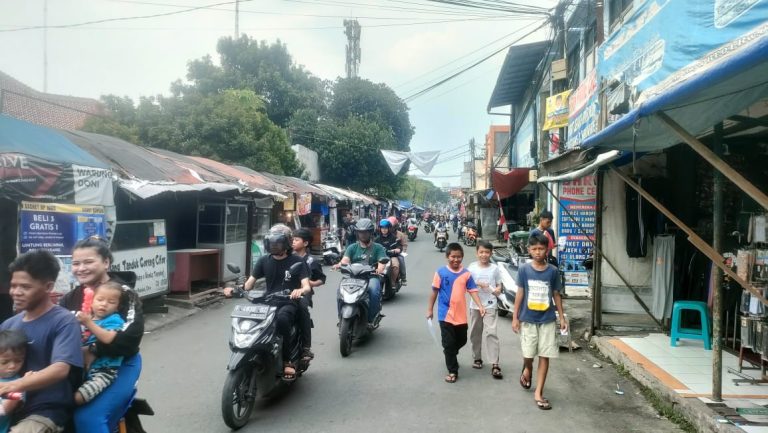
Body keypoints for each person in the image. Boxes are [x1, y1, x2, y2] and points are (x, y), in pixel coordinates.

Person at [60, 237, 144, 433]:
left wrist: (93, 349)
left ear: (106, 262)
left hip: (118, 364)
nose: (81, 268)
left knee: (88, 418)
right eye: (76, 263)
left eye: (88, 262)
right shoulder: (70, 298)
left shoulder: (123, 293)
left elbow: (129, 340)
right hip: (78, 364)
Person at [0, 250, 83, 433]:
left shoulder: (63, 321)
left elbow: (61, 369)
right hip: (7, 407)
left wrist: (14, 385)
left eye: (25, 287)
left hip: (45, 411)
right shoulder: (9, 324)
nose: (16, 292)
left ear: (48, 287)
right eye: (13, 286)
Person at [234, 224, 311, 381]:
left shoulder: (296, 261)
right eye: (272, 243)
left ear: (287, 243)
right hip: (268, 302)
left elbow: (306, 286)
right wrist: (235, 289)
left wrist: (299, 291)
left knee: (282, 319)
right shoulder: (263, 261)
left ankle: (287, 360)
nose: (274, 246)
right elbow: (249, 284)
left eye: (278, 243)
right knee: (250, 321)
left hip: (289, 301)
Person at [512, 234, 567, 410]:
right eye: (534, 249)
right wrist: (515, 317)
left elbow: (556, 295)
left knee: (545, 355)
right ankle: (527, 369)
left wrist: (562, 317)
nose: (537, 252)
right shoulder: (524, 270)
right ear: (529, 250)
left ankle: (539, 392)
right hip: (528, 319)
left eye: (541, 248)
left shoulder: (552, 271)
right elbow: (520, 293)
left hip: (547, 319)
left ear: (547, 250)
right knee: (528, 354)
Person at [426, 243, 485, 384]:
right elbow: (434, 291)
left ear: (462, 257)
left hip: (460, 316)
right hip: (444, 315)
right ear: (447, 257)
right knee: (449, 343)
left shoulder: (466, 274)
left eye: (459, 257)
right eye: (453, 256)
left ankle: (450, 352)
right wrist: (429, 309)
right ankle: (453, 371)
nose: (456, 259)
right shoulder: (440, 272)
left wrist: (480, 306)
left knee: (462, 340)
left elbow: (473, 291)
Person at [73, 281, 126, 406]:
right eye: (100, 299)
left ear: (117, 307)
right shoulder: (88, 318)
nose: (104, 304)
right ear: (91, 301)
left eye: (111, 302)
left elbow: (107, 338)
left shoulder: (115, 320)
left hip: (104, 371)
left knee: (78, 398)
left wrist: (88, 323)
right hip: (83, 368)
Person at [333, 218, 386, 328]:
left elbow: (382, 262)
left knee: (373, 290)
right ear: (357, 233)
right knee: (340, 291)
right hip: (353, 276)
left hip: (371, 276)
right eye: (360, 232)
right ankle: (341, 318)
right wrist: (339, 265)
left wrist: (379, 269)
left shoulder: (378, 248)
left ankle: (371, 319)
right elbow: (345, 260)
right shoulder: (352, 247)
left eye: (365, 232)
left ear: (371, 233)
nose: (363, 235)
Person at [468, 240, 503, 379]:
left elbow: (499, 284)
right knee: (475, 333)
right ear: (477, 253)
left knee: (491, 333)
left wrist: (498, 289)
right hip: (475, 305)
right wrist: (479, 284)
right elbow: (467, 284)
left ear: (491, 253)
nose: (484, 255)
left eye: (487, 252)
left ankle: (495, 363)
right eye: (481, 252)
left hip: (490, 304)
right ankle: (477, 358)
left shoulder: (495, 268)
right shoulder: (471, 268)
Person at [292, 228, 326, 362]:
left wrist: (310, 284)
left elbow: (322, 279)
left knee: (301, 310)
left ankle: (306, 347)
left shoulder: (312, 261)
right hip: (285, 292)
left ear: (305, 243)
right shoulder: (288, 257)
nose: (293, 242)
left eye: (296, 240)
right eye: (292, 240)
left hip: (303, 293)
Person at [530, 210, 565, 297]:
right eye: (548, 222)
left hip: (549, 258)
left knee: (555, 276)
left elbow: (551, 245)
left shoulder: (550, 231)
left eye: (550, 222)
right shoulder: (534, 232)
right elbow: (532, 247)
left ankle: (556, 294)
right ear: (541, 220)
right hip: (539, 260)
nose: (549, 224)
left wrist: (561, 244)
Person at [0, 330, 28, 433]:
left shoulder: (18, 384)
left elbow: (6, 409)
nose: (12, 366)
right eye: (5, 362)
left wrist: (24, 382)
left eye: (18, 361)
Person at [375, 219, 402, 286]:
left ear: (389, 228)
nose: (384, 230)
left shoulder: (394, 238)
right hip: (380, 257)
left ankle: (393, 282)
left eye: (386, 228)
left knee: (395, 266)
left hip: (391, 256)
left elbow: (399, 246)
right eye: (382, 228)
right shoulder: (377, 239)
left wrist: (397, 249)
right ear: (380, 229)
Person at [392, 217, 408, 285]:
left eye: (392, 226)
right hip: (386, 252)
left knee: (401, 259)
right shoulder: (384, 234)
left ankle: (403, 277)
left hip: (397, 252)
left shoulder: (400, 234)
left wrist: (402, 252)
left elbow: (404, 244)